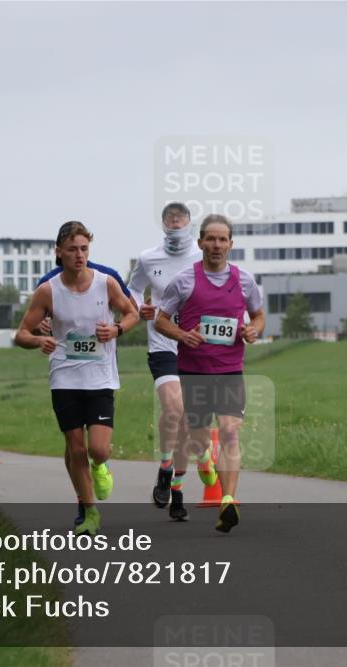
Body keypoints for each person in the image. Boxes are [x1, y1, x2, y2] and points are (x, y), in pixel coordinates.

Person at [16, 221, 138, 536]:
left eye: (84, 249)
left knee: (98, 449)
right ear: (59, 252)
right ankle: (89, 513)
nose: (80, 255)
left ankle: (101, 466)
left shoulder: (106, 282)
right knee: (76, 447)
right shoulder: (48, 290)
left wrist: (117, 329)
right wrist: (37, 341)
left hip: (100, 377)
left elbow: (132, 313)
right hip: (64, 377)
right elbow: (22, 333)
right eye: (72, 249)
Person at [155, 214, 265, 534]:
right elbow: (161, 320)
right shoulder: (184, 281)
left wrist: (253, 330)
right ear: (201, 242)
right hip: (194, 372)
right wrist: (182, 335)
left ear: (231, 244)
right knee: (199, 438)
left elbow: (258, 315)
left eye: (223, 240)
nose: (216, 245)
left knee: (230, 432)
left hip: (230, 370)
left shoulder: (244, 281)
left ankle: (227, 500)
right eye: (211, 239)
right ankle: (194, 468)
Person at [127, 202, 204, 521]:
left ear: (189, 223)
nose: (175, 222)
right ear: (163, 224)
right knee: (175, 409)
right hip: (162, 344)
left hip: (195, 346)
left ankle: (178, 490)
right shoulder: (148, 258)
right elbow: (131, 289)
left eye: (180, 218)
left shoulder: (202, 257)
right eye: (170, 219)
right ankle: (164, 466)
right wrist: (139, 307)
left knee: (188, 423)